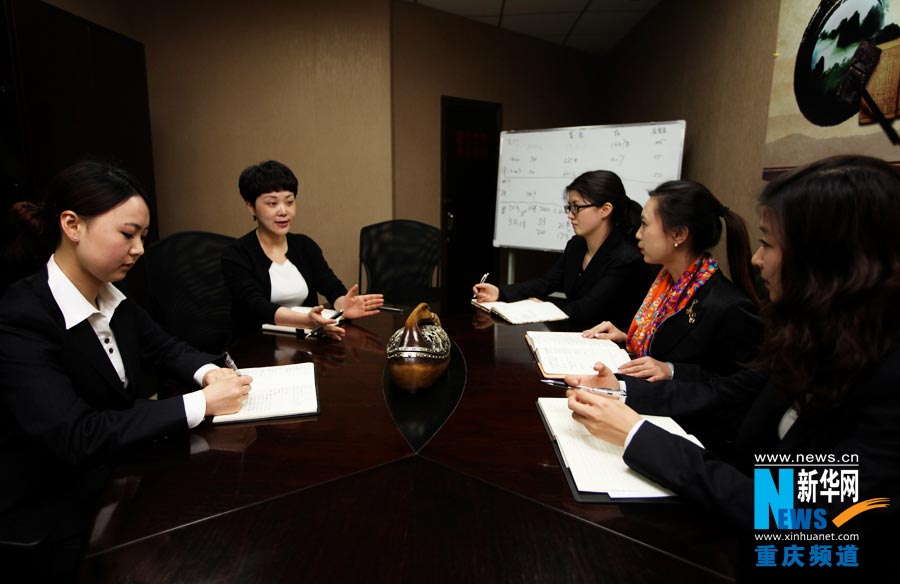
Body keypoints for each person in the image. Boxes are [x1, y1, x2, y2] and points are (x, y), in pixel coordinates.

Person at [565, 155, 900, 578]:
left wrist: (634, 434)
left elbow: (787, 512)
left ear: (831, 265)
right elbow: (729, 389)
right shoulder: (810, 339)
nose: (757, 261)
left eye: (771, 245)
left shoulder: (887, 385)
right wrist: (621, 391)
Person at [0, 160, 253, 580]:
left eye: (143, 237)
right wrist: (201, 403)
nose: (139, 249)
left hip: (115, 480)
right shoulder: (20, 317)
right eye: (127, 234)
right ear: (72, 225)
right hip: (51, 510)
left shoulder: (113, 297)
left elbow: (166, 347)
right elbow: (76, 435)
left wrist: (209, 373)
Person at [582, 180, 762, 382]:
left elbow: (735, 387)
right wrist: (627, 335)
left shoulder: (728, 306)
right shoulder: (665, 282)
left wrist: (672, 370)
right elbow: (668, 337)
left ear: (679, 234)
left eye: (645, 224)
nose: (638, 233)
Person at [472, 170, 654, 329]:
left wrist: (543, 308)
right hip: (575, 334)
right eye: (569, 207)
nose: (570, 215)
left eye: (577, 208)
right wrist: (500, 293)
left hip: (610, 347)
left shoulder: (626, 257)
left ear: (605, 210)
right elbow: (546, 283)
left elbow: (588, 309)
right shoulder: (576, 246)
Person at [222, 160, 383, 338]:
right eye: (272, 204)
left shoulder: (304, 246)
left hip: (306, 342)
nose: (283, 211)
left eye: (289, 202)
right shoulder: (235, 254)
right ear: (250, 206)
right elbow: (256, 305)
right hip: (255, 346)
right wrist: (305, 320)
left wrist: (343, 304)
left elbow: (331, 286)